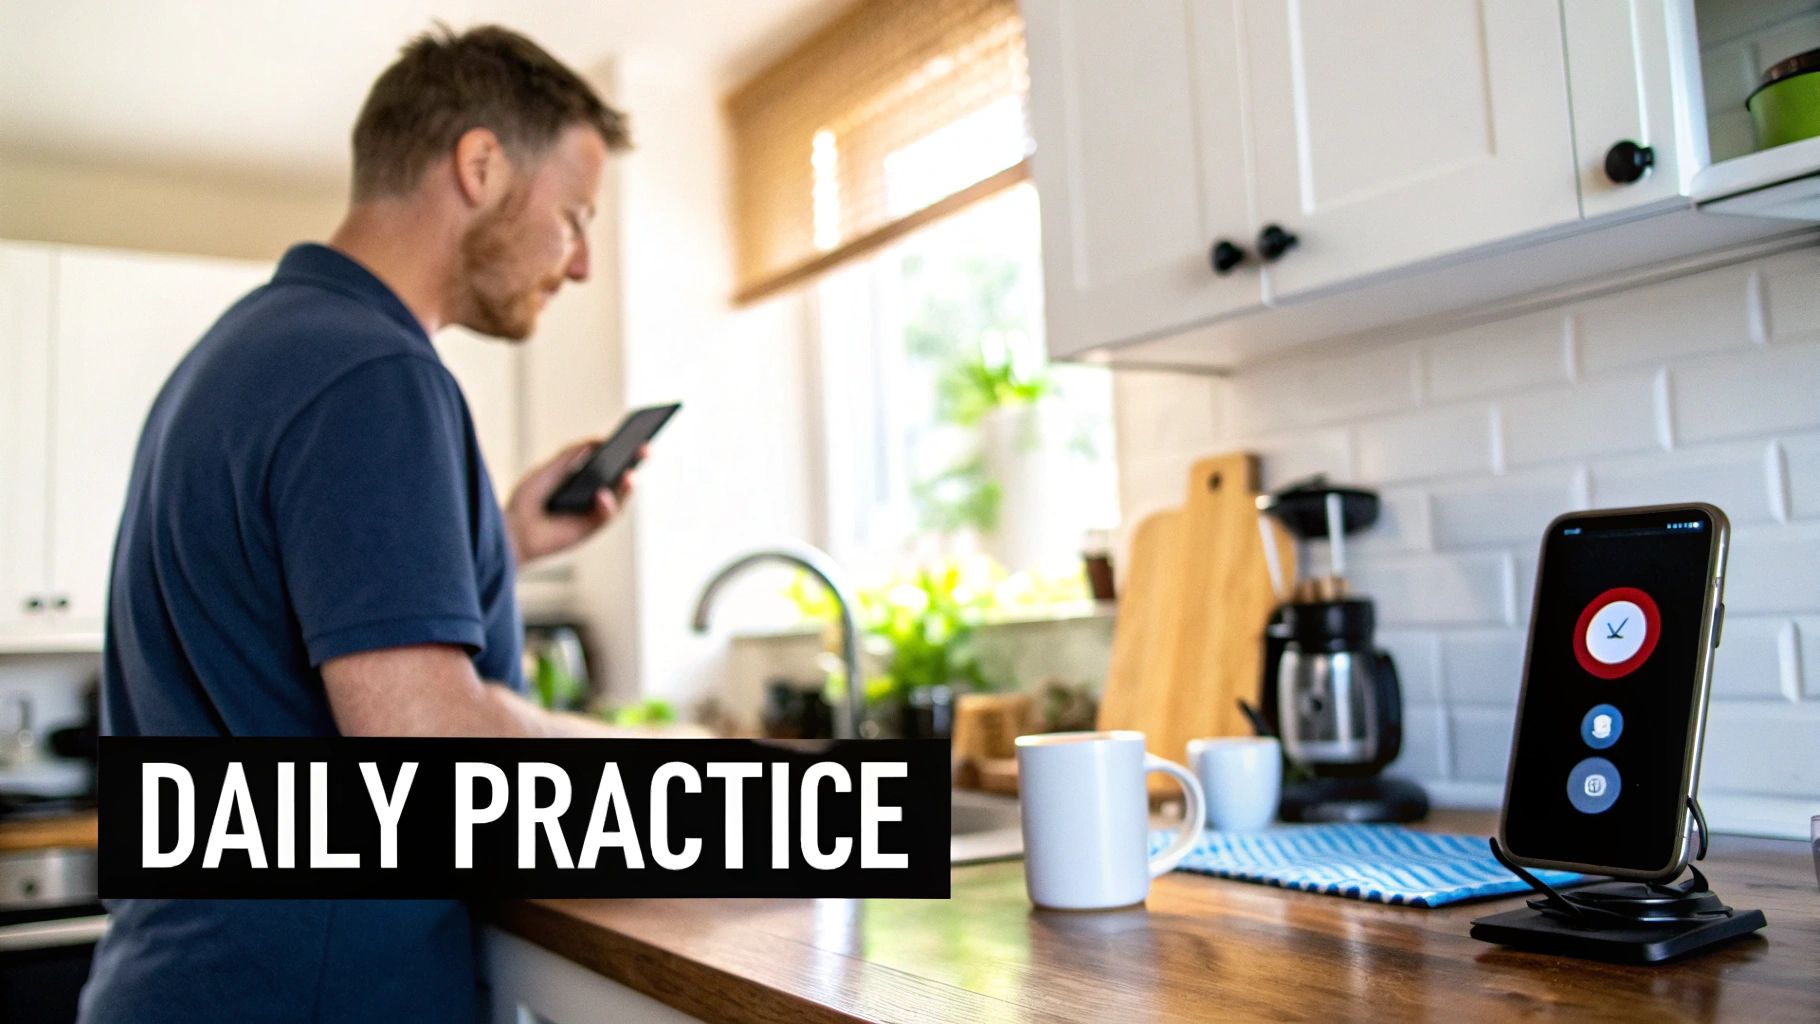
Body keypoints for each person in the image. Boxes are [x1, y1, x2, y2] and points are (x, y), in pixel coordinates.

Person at [81, 25, 646, 1023]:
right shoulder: (373, 376)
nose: (583, 263)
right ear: (479, 165)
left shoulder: (256, 346)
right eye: (575, 215)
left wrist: (501, 542)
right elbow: (426, 742)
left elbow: (287, 611)